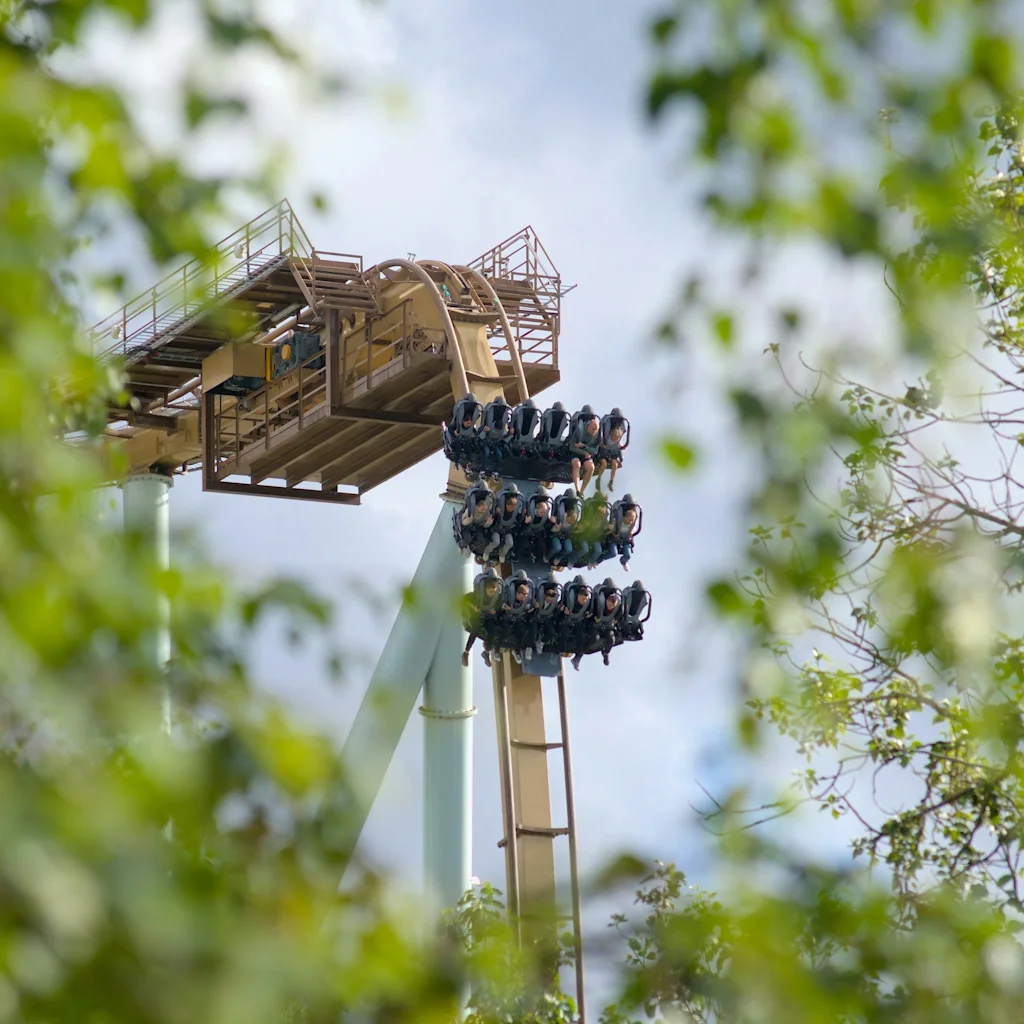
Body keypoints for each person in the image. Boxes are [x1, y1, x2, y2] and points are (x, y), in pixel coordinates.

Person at [462, 569, 503, 666]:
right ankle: (466, 653)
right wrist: (473, 607)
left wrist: (493, 610)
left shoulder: (496, 598)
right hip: (474, 615)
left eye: (494, 591)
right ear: (485, 589)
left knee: (492, 632)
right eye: (490, 591)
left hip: (486, 616)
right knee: (475, 629)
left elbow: (497, 607)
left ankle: (486, 652)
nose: (492, 593)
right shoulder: (476, 595)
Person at [560, 576, 593, 670]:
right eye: (583, 599)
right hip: (565, 622)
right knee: (564, 634)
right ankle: (561, 648)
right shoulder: (568, 599)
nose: (584, 602)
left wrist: (587, 616)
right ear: (578, 596)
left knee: (582, 637)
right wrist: (562, 611)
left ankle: (577, 658)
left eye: (586, 600)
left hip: (577, 623)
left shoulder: (587, 604)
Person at [500, 570, 533, 663]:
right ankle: (498, 648)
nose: (523, 598)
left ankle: (516, 650)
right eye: (522, 596)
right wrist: (504, 607)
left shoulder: (527, 599)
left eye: (525, 597)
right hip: (506, 616)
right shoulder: (508, 593)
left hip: (518, 617)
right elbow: (500, 602)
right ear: (517, 593)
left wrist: (530, 609)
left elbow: (528, 607)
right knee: (506, 630)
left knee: (522, 631)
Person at [568, 404, 601, 494]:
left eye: (596, 430)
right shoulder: (579, 430)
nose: (594, 432)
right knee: (577, 464)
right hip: (574, 452)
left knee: (591, 467)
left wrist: (584, 447)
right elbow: (571, 446)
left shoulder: (597, 435)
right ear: (588, 426)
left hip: (586, 452)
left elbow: (595, 451)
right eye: (592, 429)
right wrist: (584, 452)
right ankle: (577, 489)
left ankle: (581, 491)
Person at [589, 579, 622, 666]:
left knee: (611, 639)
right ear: (607, 601)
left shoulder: (617, 607)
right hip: (596, 625)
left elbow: (621, 612)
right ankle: (579, 653)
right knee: (594, 638)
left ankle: (605, 653)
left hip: (607, 626)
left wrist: (616, 619)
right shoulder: (599, 602)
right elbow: (593, 609)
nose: (611, 607)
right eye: (610, 605)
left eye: (612, 606)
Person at [548, 490, 583, 568]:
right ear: (567, 516)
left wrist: (578, 529)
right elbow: (552, 528)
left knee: (569, 549)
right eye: (569, 520)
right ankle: (547, 557)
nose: (570, 522)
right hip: (556, 534)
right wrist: (556, 525)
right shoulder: (561, 516)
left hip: (566, 536)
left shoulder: (573, 521)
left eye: (572, 522)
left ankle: (558, 557)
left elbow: (572, 530)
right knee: (558, 547)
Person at [458, 486, 495, 561]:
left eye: (484, 509)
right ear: (478, 507)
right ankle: (461, 545)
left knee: (482, 540)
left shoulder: (486, 513)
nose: (483, 511)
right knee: (467, 539)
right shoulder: (470, 510)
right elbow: (463, 522)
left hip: (477, 526)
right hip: (467, 526)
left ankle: (471, 547)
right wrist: (469, 520)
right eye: (482, 508)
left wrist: (488, 523)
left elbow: (484, 525)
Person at [596, 408, 628, 492]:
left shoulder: (617, 441)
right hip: (603, 453)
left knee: (615, 464)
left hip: (612, 454)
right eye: (615, 438)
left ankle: (611, 482)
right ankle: (598, 479)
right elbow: (602, 442)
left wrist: (621, 456)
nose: (616, 439)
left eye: (617, 438)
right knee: (604, 463)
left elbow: (619, 447)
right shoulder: (606, 438)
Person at [481, 396, 512, 478]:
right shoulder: (488, 426)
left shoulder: (502, 430)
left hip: (496, 443)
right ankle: (482, 470)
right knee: (486, 453)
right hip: (487, 442)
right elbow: (481, 436)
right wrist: (484, 431)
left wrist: (510, 433)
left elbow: (505, 438)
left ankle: (496, 472)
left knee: (499, 455)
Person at [447, 392, 482, 466]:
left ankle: (470, 462)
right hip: (457, 441)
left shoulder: (471, 427)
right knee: (458, 448)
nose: (468, 425)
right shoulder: (456, 424)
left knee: (469, 448)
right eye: (467, 423)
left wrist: (474, 435)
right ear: (463, 421)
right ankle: (456, 464)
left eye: (470, 423)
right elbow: (450, 430)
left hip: (466, 441)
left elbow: (475, 433)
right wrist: (454, 433)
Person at [491, 483, 522, 564]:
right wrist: (495, 512)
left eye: (513, 507)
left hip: (508, 529)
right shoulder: (500, 503)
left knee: (510, 543)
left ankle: (502, 554)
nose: (511, 509)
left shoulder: (515, 510)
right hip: (497, 527)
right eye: (510, 507)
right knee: (496, 541)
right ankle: (490, 554)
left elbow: (518, 519)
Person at [518, 487, 552, 562]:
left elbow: (546, 526)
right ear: (537, 509)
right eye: (542, 512)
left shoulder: (544, 517)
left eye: (544, 512)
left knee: (542, 546)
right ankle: (519, 556)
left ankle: (535, 557)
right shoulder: (529, 512)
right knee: (525, 544)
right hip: (526, 530)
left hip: (537, 532)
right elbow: (520, 526)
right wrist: (525, 522)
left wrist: (551, 522)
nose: (543, 514)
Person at [608, 495, 641, 569]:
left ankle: (623, 562)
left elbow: (634, 527)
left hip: (625, 538)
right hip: (616, 536)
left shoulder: (633, 517)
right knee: (613, 553)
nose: (630, 522)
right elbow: (613, 522)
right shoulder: (619, 514)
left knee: (628, 555)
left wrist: (631, 533)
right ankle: (598, 560)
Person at [530, 579, 562, 655]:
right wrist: (535, 608)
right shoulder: (537, 599)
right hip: (535, 617)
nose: (549, 601)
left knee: (552, 632)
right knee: (533, 631)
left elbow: (555, 614)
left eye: (551, 600)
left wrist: (558, 610)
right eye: (548, 600)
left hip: (546, 619)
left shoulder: (554, 604)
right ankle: (529, 646)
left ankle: (541, 643)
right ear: (545, 596)